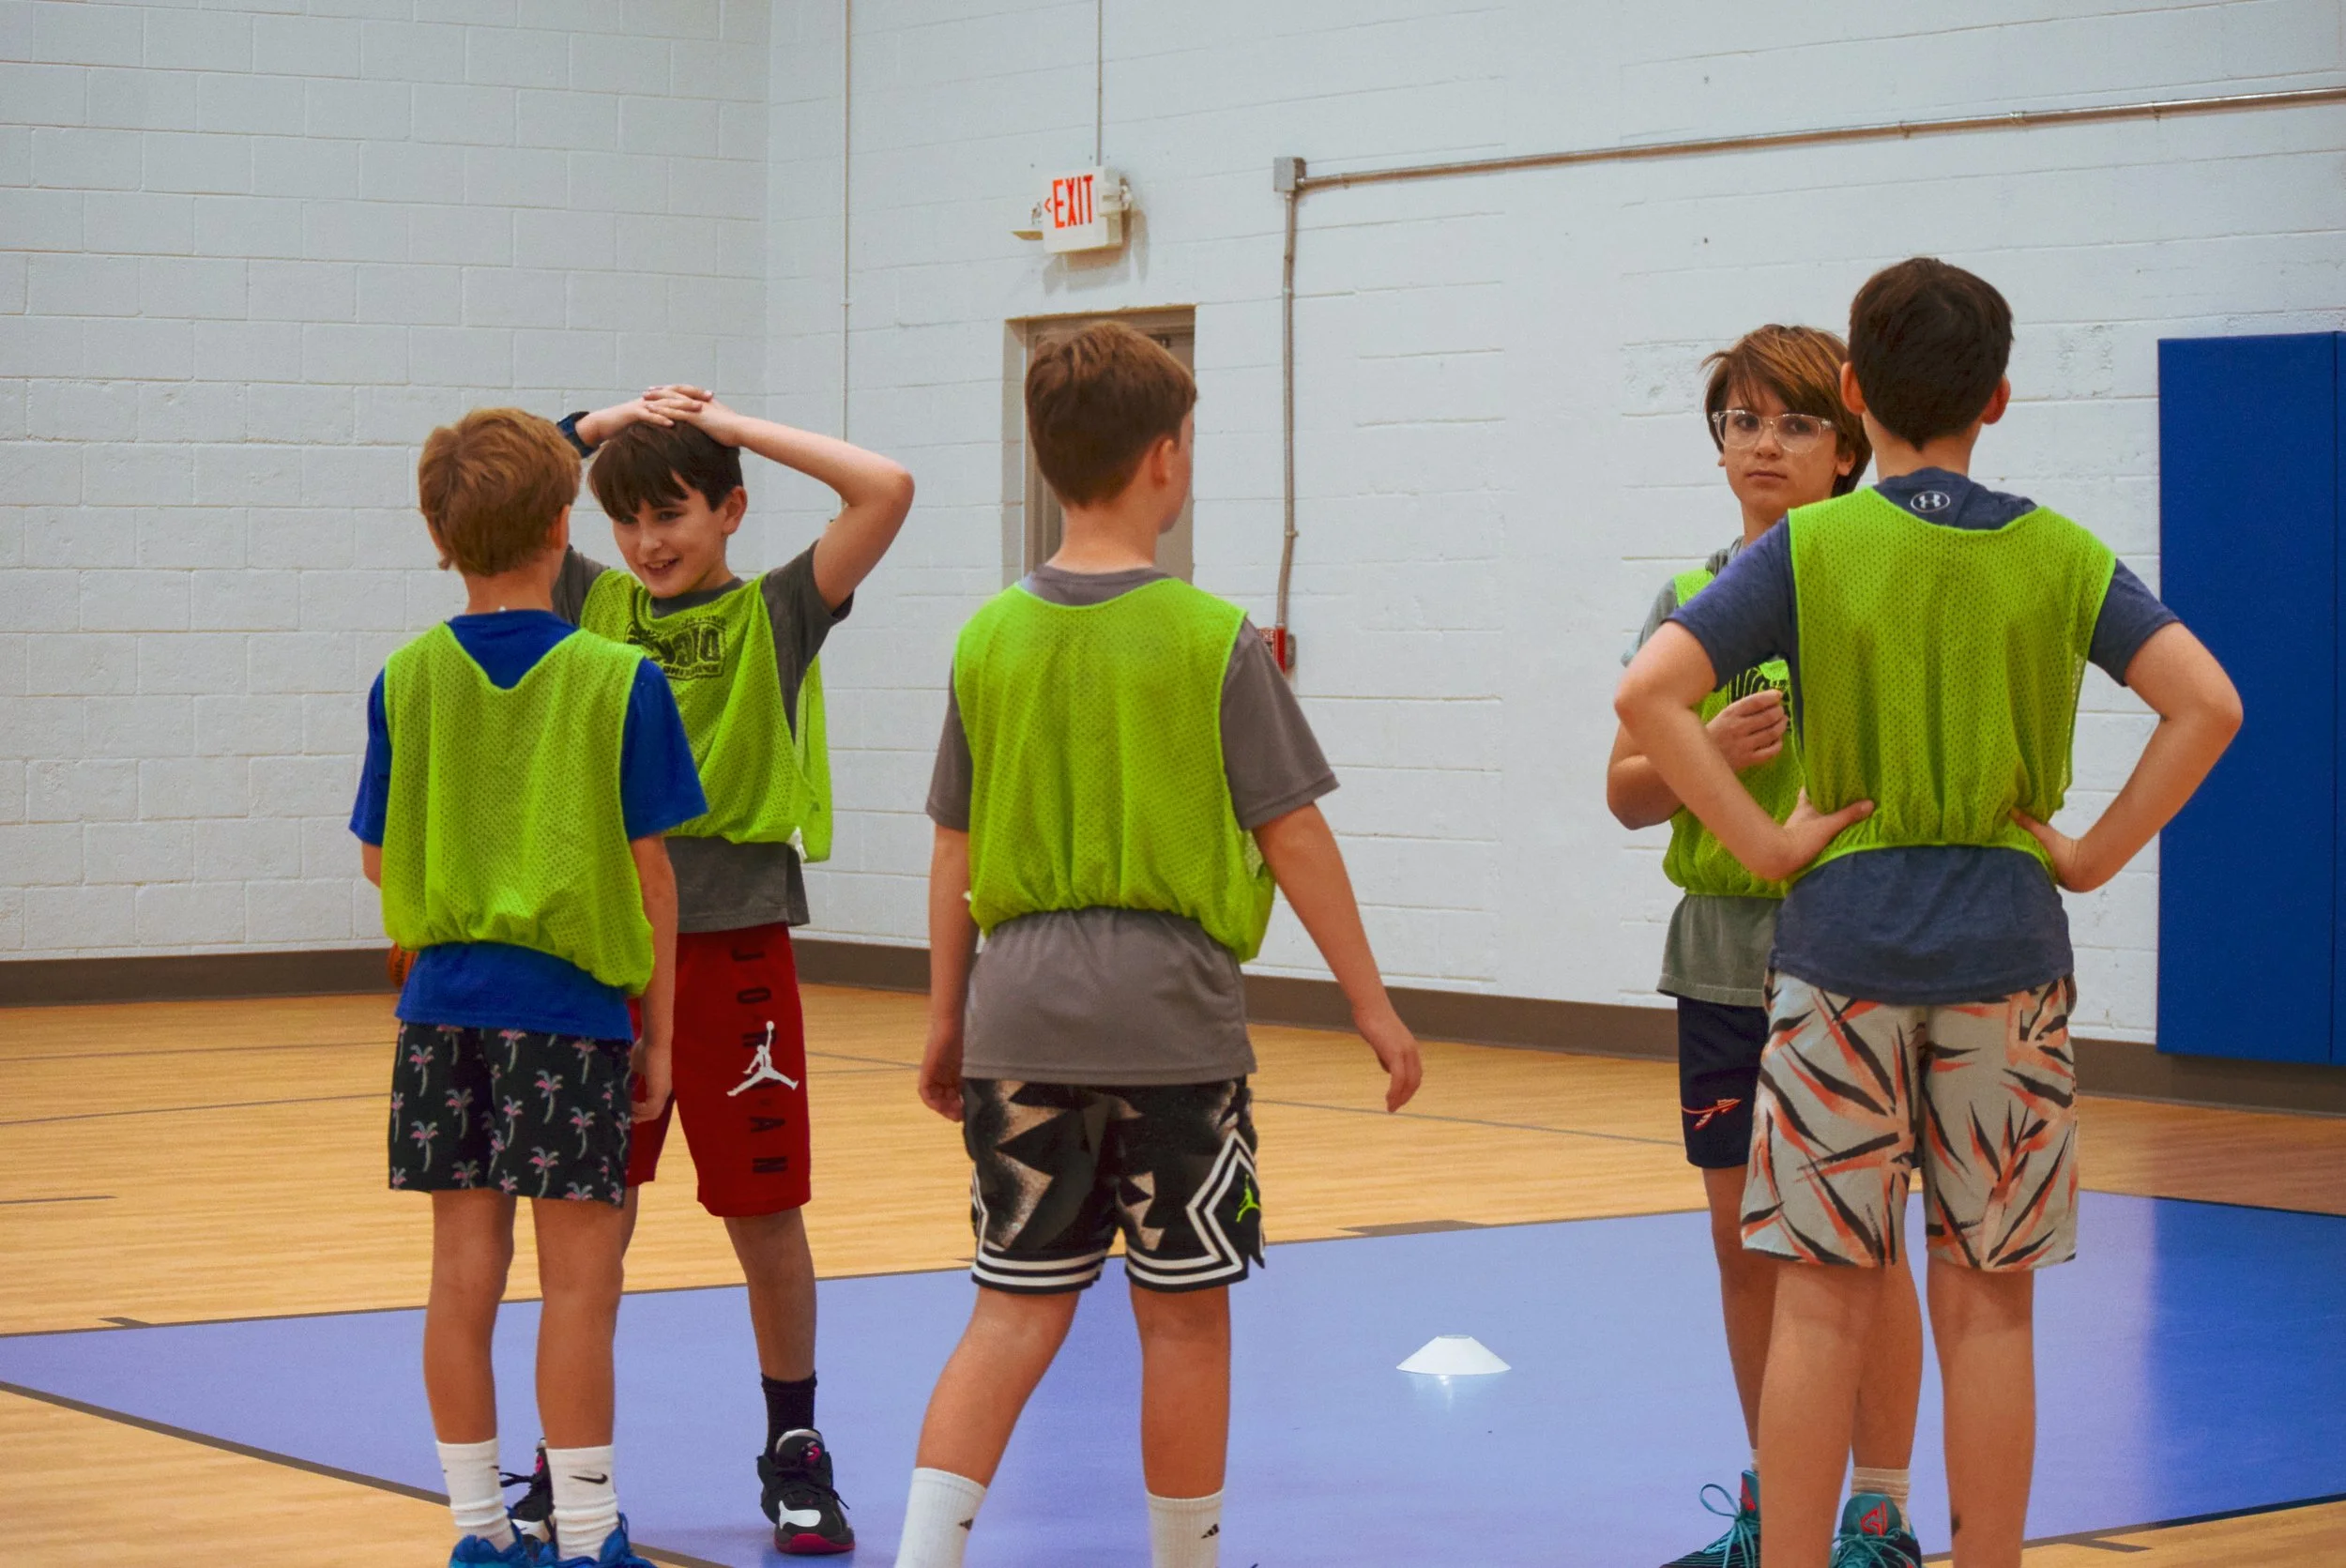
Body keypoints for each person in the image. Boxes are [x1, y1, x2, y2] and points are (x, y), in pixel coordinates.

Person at [1616, 258, 2241, 1568]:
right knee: (1990, 1306)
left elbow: (1651, 698)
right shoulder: (2062, 549)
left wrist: (1771, 838)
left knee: (1819, 1301)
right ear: (2000, 396)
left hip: (1838, 959)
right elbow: (2209, 703)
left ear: (1851, 393)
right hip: (2010, 959)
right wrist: (2092, 854)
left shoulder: (1816, 544)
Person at [892, 321, 1424, 1568]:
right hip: (1174, 1022)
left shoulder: (986, 637)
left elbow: (954, 853)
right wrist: (1374, 1003)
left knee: (1008, 1311)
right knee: (1183, 1317)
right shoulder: (1214, 637)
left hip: (1015, 1012)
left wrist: (943, 1016)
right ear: (1168, 459)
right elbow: (1293, 837)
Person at [492, 388, 913, 1556]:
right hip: (603, 962)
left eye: (670, 513)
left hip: (735, 954)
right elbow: (508, 474)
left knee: (765, 1216)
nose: (644, 541)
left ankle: (796, 1449)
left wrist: (733, 423)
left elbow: (886, 488)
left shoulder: (782, 610)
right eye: (624, 518)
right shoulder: (589, 601)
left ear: (730, 510)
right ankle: (564, 1466)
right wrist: (617, 416)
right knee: (592, 1225)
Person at [352, 408, 708, 1568]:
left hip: (443, 1010)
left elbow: (377, 856)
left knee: (460, 1277)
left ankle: (477, 1533)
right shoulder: (619, 678)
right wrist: (656, 1036)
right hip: (571, 1014)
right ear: (566, 526)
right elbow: (654, 879)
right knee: (581, 1285)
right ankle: (594, 1534)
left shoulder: (404, 677)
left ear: (437, 536)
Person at [1607, 326, 1925, 1568]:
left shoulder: (1873, 585)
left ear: (1848, 444)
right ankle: (1773, 1508)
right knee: (1745, 1246)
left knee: (1862, 1240)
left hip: (1853, 953)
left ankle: (1880, 1512)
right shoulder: (1687, 603)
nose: (1763, 445)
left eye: (1793, 423)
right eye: (1742, 422)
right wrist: (1704, 764)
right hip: (1720, 956)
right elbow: (1626, 789)